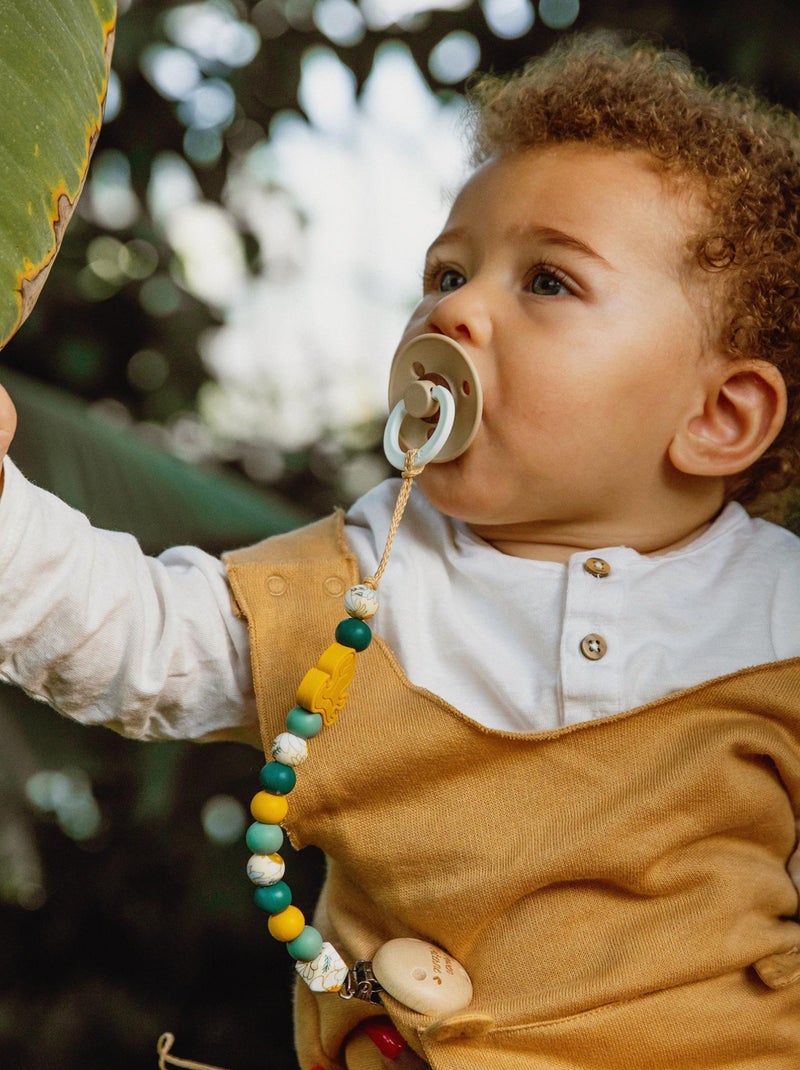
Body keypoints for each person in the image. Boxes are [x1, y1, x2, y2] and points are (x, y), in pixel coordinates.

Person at [1, 29, 800, 1070]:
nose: (453, 307)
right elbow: (139, 637)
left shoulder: (775, 618)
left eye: (547, 281)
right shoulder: (366, 576)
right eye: (447, 271)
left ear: (717, 416)